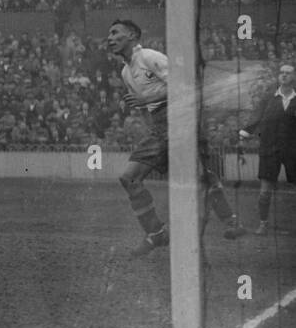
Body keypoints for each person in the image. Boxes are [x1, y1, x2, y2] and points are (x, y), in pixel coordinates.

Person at [105, 18, 245, 256]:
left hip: (181, 117)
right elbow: (144, 107)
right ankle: (157, 233)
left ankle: (231, 221)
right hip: (160, 125)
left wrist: (147, 101)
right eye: (108, 34)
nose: (109, 38)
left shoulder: (150, 57)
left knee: (200, 175)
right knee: (129, 178)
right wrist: (151, 125)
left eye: (115, 32)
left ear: (131, 36)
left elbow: (183, 85)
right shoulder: (126, 72)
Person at [238, 62, 296, 235]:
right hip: (269, 149)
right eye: (281, 72)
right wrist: (245, 133)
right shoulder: (269, 98)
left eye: (288, 73)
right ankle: (263, 223)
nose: (284, 75)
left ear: (294, 77)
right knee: (264, 193)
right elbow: (256, 116)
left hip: (293, 151)